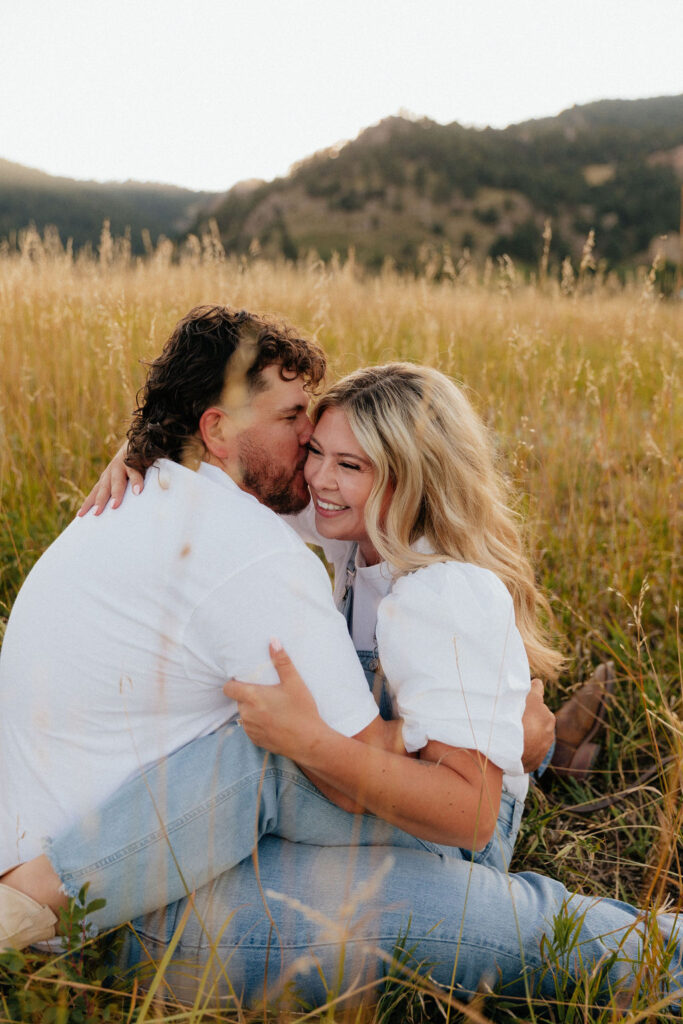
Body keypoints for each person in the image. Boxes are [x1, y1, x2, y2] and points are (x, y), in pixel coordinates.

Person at [1, 308, 675, 1011]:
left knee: (523, 920)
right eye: (300, 426)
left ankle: (533, 755)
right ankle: (529, 744)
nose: (311, 461)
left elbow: (455, 806)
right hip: (150, 903)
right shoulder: (300, 522)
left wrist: (314, 741)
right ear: (215, 429)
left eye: (340, 457)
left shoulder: (423, 580)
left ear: (404, 476)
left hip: (449, 823)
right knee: (271, 743)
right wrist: (144, 444)